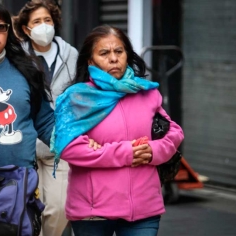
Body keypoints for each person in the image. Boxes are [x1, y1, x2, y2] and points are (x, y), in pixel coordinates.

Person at [51, 25, 184, 236]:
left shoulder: (146, 93)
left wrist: (153, 151)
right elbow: (69, 148)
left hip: (143, 209)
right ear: (90, 60)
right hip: (93, 211)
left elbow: (173, 132)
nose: (113, 58)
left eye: (119, 52)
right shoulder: (77, 98)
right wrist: (126, 153)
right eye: (104, 53)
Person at [13, 1, 78, 235]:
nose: (43, 26)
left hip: (59, 144)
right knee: (25, 209)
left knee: (60, 208)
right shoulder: (15, 57)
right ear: (26, 29)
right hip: (24, 145)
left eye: (47, 20)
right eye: (37, 22)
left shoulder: (72, 55)